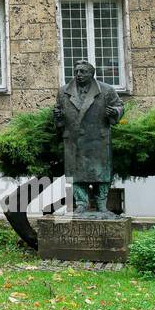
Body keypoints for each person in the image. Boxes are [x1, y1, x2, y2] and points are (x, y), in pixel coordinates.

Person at [53, 60, 125, 216]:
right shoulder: (64, 91)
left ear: (91, 74)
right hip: (73, 141)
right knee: (76, 175)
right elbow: (58, 113)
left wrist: (116, 112)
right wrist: (58, 117)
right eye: (77, 71)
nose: (78, 75)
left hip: (98, 139)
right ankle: (81, 204)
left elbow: (119, 105)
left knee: (102, 175)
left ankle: (101, 204)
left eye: (83, 72)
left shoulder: (106, 90)